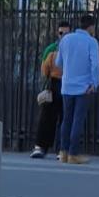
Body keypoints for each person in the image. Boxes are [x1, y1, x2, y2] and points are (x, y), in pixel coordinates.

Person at [56, 14, 99, 164]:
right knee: (78, 120)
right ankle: (73, 153)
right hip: (83, 87)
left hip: (67, 85)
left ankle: (63, 152)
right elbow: (95, 65)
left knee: (66, 119)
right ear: (91, 27)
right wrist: (94, 83)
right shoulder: (91, 41)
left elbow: (58, 62)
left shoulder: (66, 39)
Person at [31, 21, 71, 159]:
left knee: (62, 117)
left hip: (64, 82)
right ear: (57, 33)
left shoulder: (55, 49)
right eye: (61, 33)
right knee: (49, 116)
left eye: (66, 33)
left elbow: (45, 70)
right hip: (57, 83)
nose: (63, 36)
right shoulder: (52, 49)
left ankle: (57, 148)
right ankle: (45, 147)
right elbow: (44, 70)